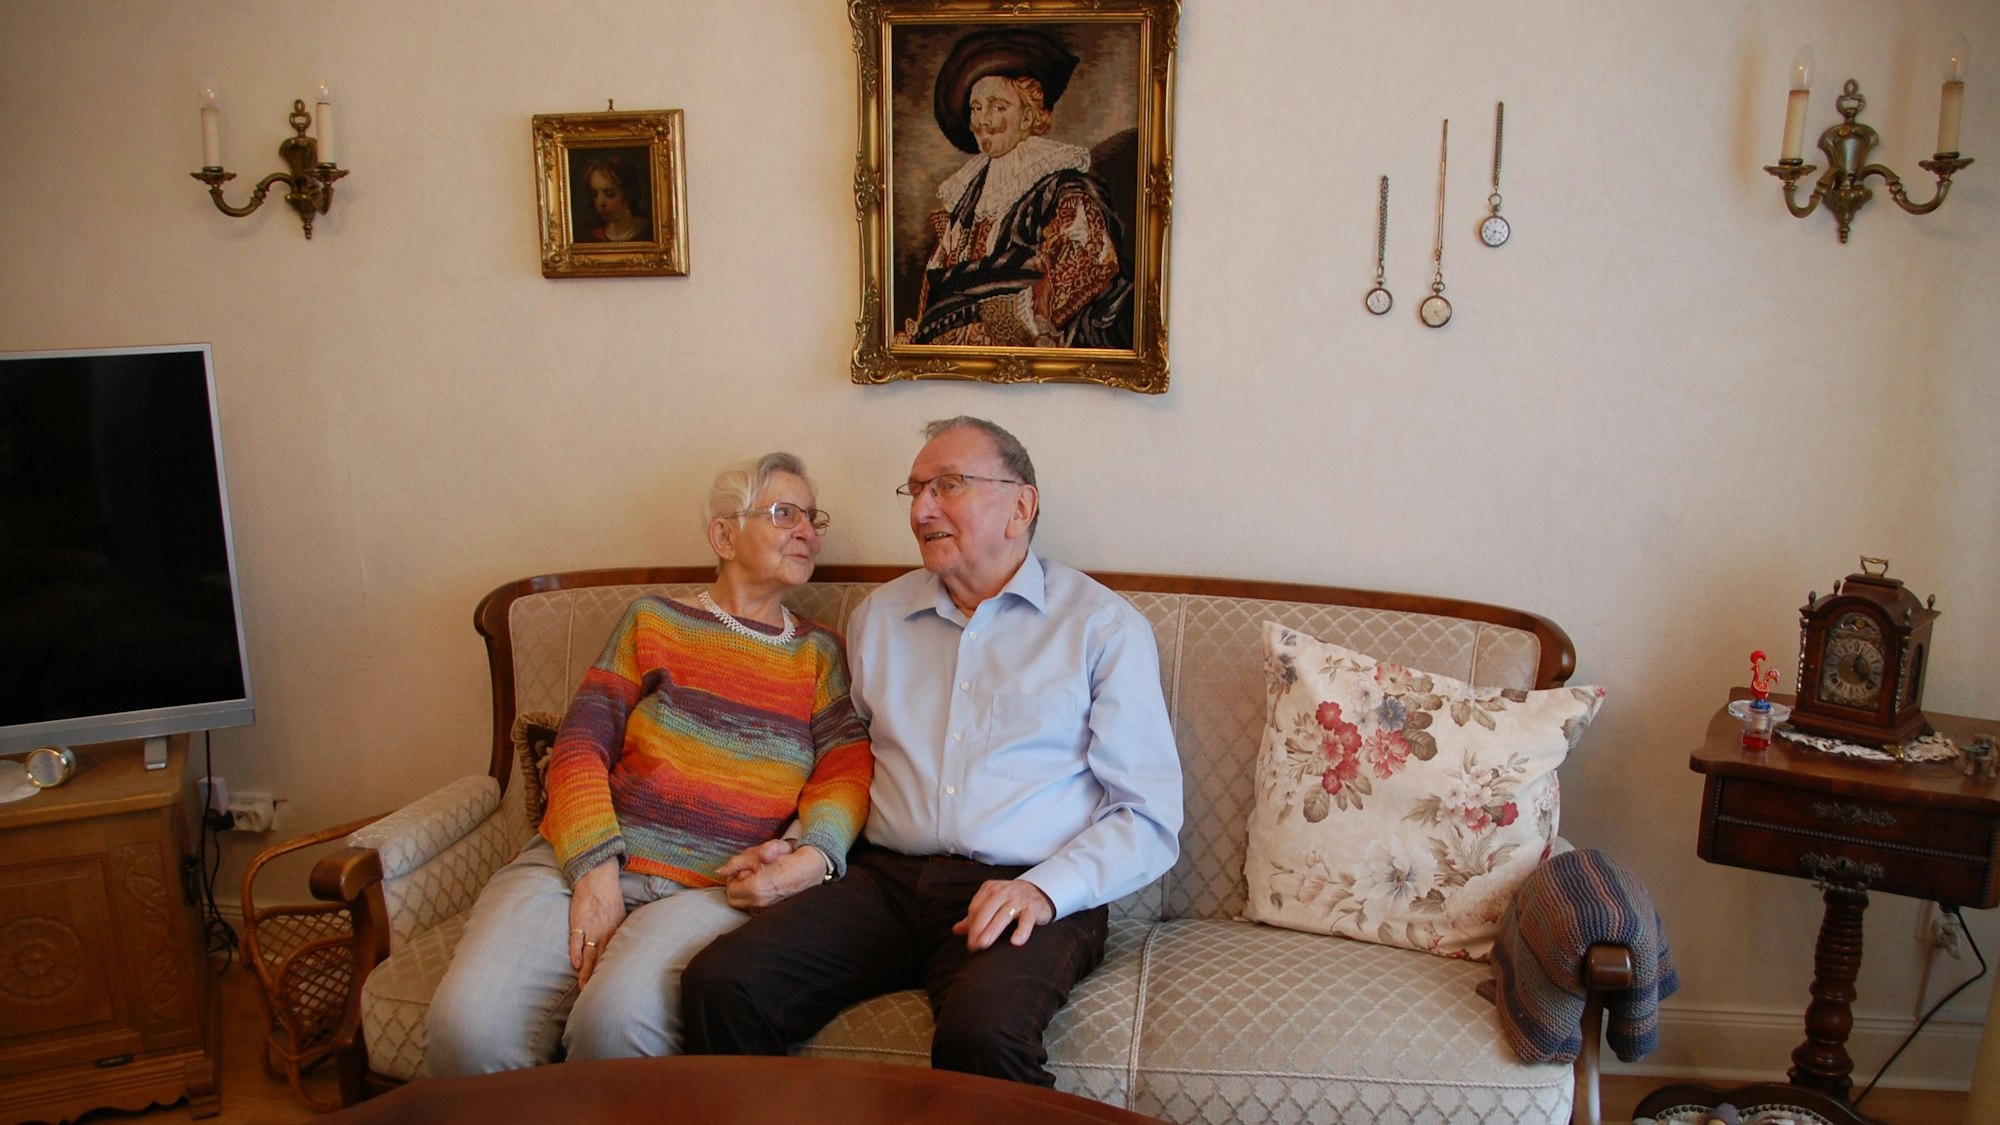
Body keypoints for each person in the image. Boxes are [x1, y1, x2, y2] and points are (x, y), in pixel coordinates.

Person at [681, 417, 1182, 1086]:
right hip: (884, 881)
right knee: (723, 981)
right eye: (915, 489)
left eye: (949, 485)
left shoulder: (1101, 626)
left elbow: (1148, 816)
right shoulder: (879, 618)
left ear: (1020, 506)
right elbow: (846, 764)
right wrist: (806, 842)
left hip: (1025, 884)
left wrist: (1044, 889)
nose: (921, 509)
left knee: (983, 1034)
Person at [425, 453, 872, 1074]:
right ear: (723, 535)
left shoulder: (820, 653)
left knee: (616, 1027)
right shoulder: (652, 621)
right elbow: (581, 744)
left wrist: (811, 855)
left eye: (811, 516)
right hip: (582, 859)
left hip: (715, 886)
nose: (807, 531)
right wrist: (593, 869)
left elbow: (846, 770)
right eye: (783, 513)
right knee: (466, 1029)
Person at [897, 29, 1133, 349]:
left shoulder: (1062, 188)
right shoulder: (967, 199)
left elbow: (1090, 262)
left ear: (1028, 116)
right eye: (976, 108)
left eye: (998, 107)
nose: (984, 120)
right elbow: (938, 281)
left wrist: (1007, 318)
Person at [579, 152, 652, 243]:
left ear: (628, 193)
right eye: (595, 194)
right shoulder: (595, 236)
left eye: (609, 193)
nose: (600, 202)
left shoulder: (649, 230)